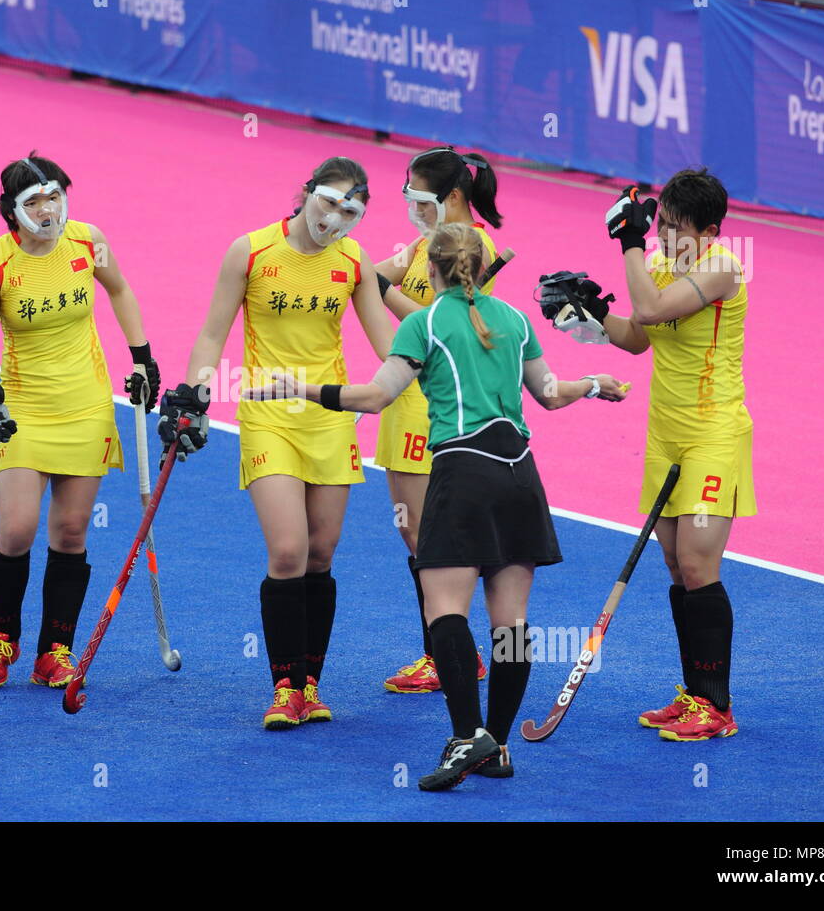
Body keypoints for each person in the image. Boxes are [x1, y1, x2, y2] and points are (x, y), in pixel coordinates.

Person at [246, 222, 627, 788]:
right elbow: (549, 395)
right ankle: (495, 745)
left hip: (463, 474)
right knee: (511, 625)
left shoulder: (422, 324)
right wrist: (594, 384)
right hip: (521, 476)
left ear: (431, 271)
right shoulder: (517, 321)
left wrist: (297, 388)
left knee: (444, 611)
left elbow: (374, 397)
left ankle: (467, 735)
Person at [157, 156, 395, 729]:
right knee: (288, 550)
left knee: (321, 553)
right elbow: (214, 332)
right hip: (268, 415)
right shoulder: (252, 252)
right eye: (328, 201)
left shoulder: (354, 261)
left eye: (350, 211)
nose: (335, 218)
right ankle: (284, 686)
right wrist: (193, 394)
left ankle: (311, 685)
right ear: (307, 192)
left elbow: (391, 347)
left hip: (331, 414)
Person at [547, 168, 752, 741]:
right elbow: (639, 334)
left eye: (676, 230)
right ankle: (694, 693)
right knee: (674, 565)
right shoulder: (662, 266)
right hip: (665, 435)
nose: (663, 238)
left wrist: (629, 243)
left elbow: (652, 310)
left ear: (709, 231)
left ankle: (717, 706)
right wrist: (584, 315)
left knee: (697, 564)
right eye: (660, 226)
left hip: (713, 434)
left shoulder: (721, 267)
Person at [0, 154, 159, 692]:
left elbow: (118, 289)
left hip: (87, 407)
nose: (48, 210)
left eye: (54, 197)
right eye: (34, 202)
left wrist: (142, 357)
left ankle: (56, 651)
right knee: (18, 528)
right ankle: (1, 638)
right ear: (13, 210)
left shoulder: (86, 240)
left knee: (72, 532)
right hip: (25, 410)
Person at [372, 146, 503, 694]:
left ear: (453, 197)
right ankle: (441, 650)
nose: (413, 208)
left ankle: (456, 653)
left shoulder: (477, 247)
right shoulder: (426, 243)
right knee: (414, 532)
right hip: (403, 399)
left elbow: (445, 322)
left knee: (433, 536)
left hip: (436, 405)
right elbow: (373, 274)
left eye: (420, 198)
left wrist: (384, 294)